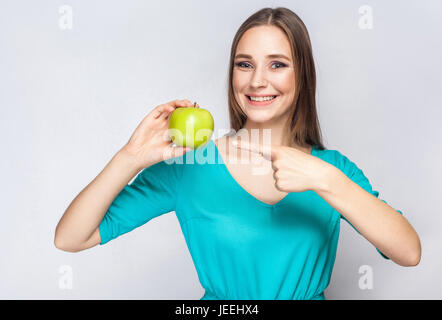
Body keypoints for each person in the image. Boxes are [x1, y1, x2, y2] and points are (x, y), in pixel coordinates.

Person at [54, 7, 421, 300]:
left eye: (277, 64)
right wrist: (129, 157)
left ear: (302, 76)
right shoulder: (192, 165)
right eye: (244, 64)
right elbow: (71, 238)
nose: (257, 80)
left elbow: (408, 252)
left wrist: (325, 180)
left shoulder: (333, 170)